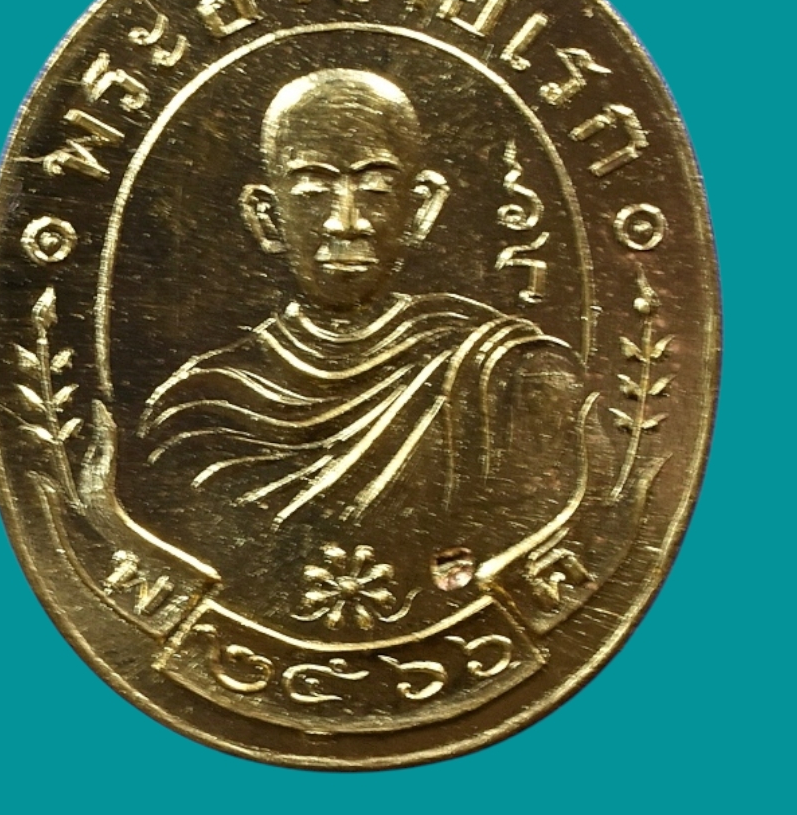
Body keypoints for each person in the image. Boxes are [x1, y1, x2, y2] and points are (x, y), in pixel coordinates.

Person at [137, 69, 597, 634]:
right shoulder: (199, 407)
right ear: (266, 214)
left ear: (420, 208)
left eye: (376, 189)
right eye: (313, 189)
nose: (345, 222)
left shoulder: (508, 375)